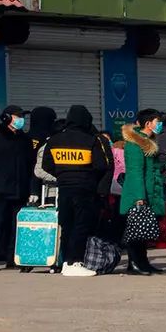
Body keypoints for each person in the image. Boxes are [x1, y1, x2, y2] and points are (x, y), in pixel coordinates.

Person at [43, 105, 113, 277]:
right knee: (81, 225)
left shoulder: (54, 140)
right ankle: (76, 261)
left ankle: (66, 262)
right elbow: (100, 165)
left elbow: (47, 165)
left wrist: (63, 174)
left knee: (67, 225)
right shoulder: (91, 140)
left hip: (64, 188)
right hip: (85, 188)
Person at [0, 106, 36, 271]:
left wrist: (32, 190)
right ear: (6, 117)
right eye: (17, 116)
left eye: (22, 116)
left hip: (20, 190)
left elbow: (31, 166)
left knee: (17, 227)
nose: (21, 119)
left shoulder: (25, 139)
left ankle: (13, 257)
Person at [121, 109, 166, 276]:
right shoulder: (135, 144)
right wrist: (140, 197)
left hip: (149, 191)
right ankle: (133, 264)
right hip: (138, 193)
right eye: (157, 122)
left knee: (143, 230)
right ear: (148, 124)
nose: (159, 125)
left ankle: (144, 262)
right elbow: (135, 171)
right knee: (136, 230)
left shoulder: (149, 141)